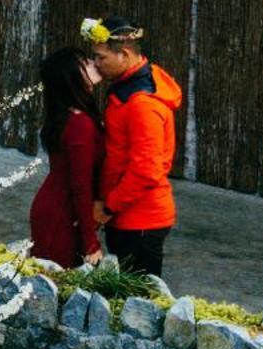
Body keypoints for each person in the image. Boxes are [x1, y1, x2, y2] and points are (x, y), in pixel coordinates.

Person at [85, 16, 182, 279]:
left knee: (139, 305)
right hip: (130, 215)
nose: (95, 64)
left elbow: (146, 170)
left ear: (124, 54)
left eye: (100, 58)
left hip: (139, 219)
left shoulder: (142, 104)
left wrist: (108, 207)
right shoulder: (132, 86)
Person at [28, 46, 106, 268]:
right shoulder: (79, 123)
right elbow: (79, 186)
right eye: (85, 62)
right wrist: (90, 242)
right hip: (60, 214)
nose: (94, 62)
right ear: (72, 76)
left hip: (57, 207)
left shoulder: (71, 114)